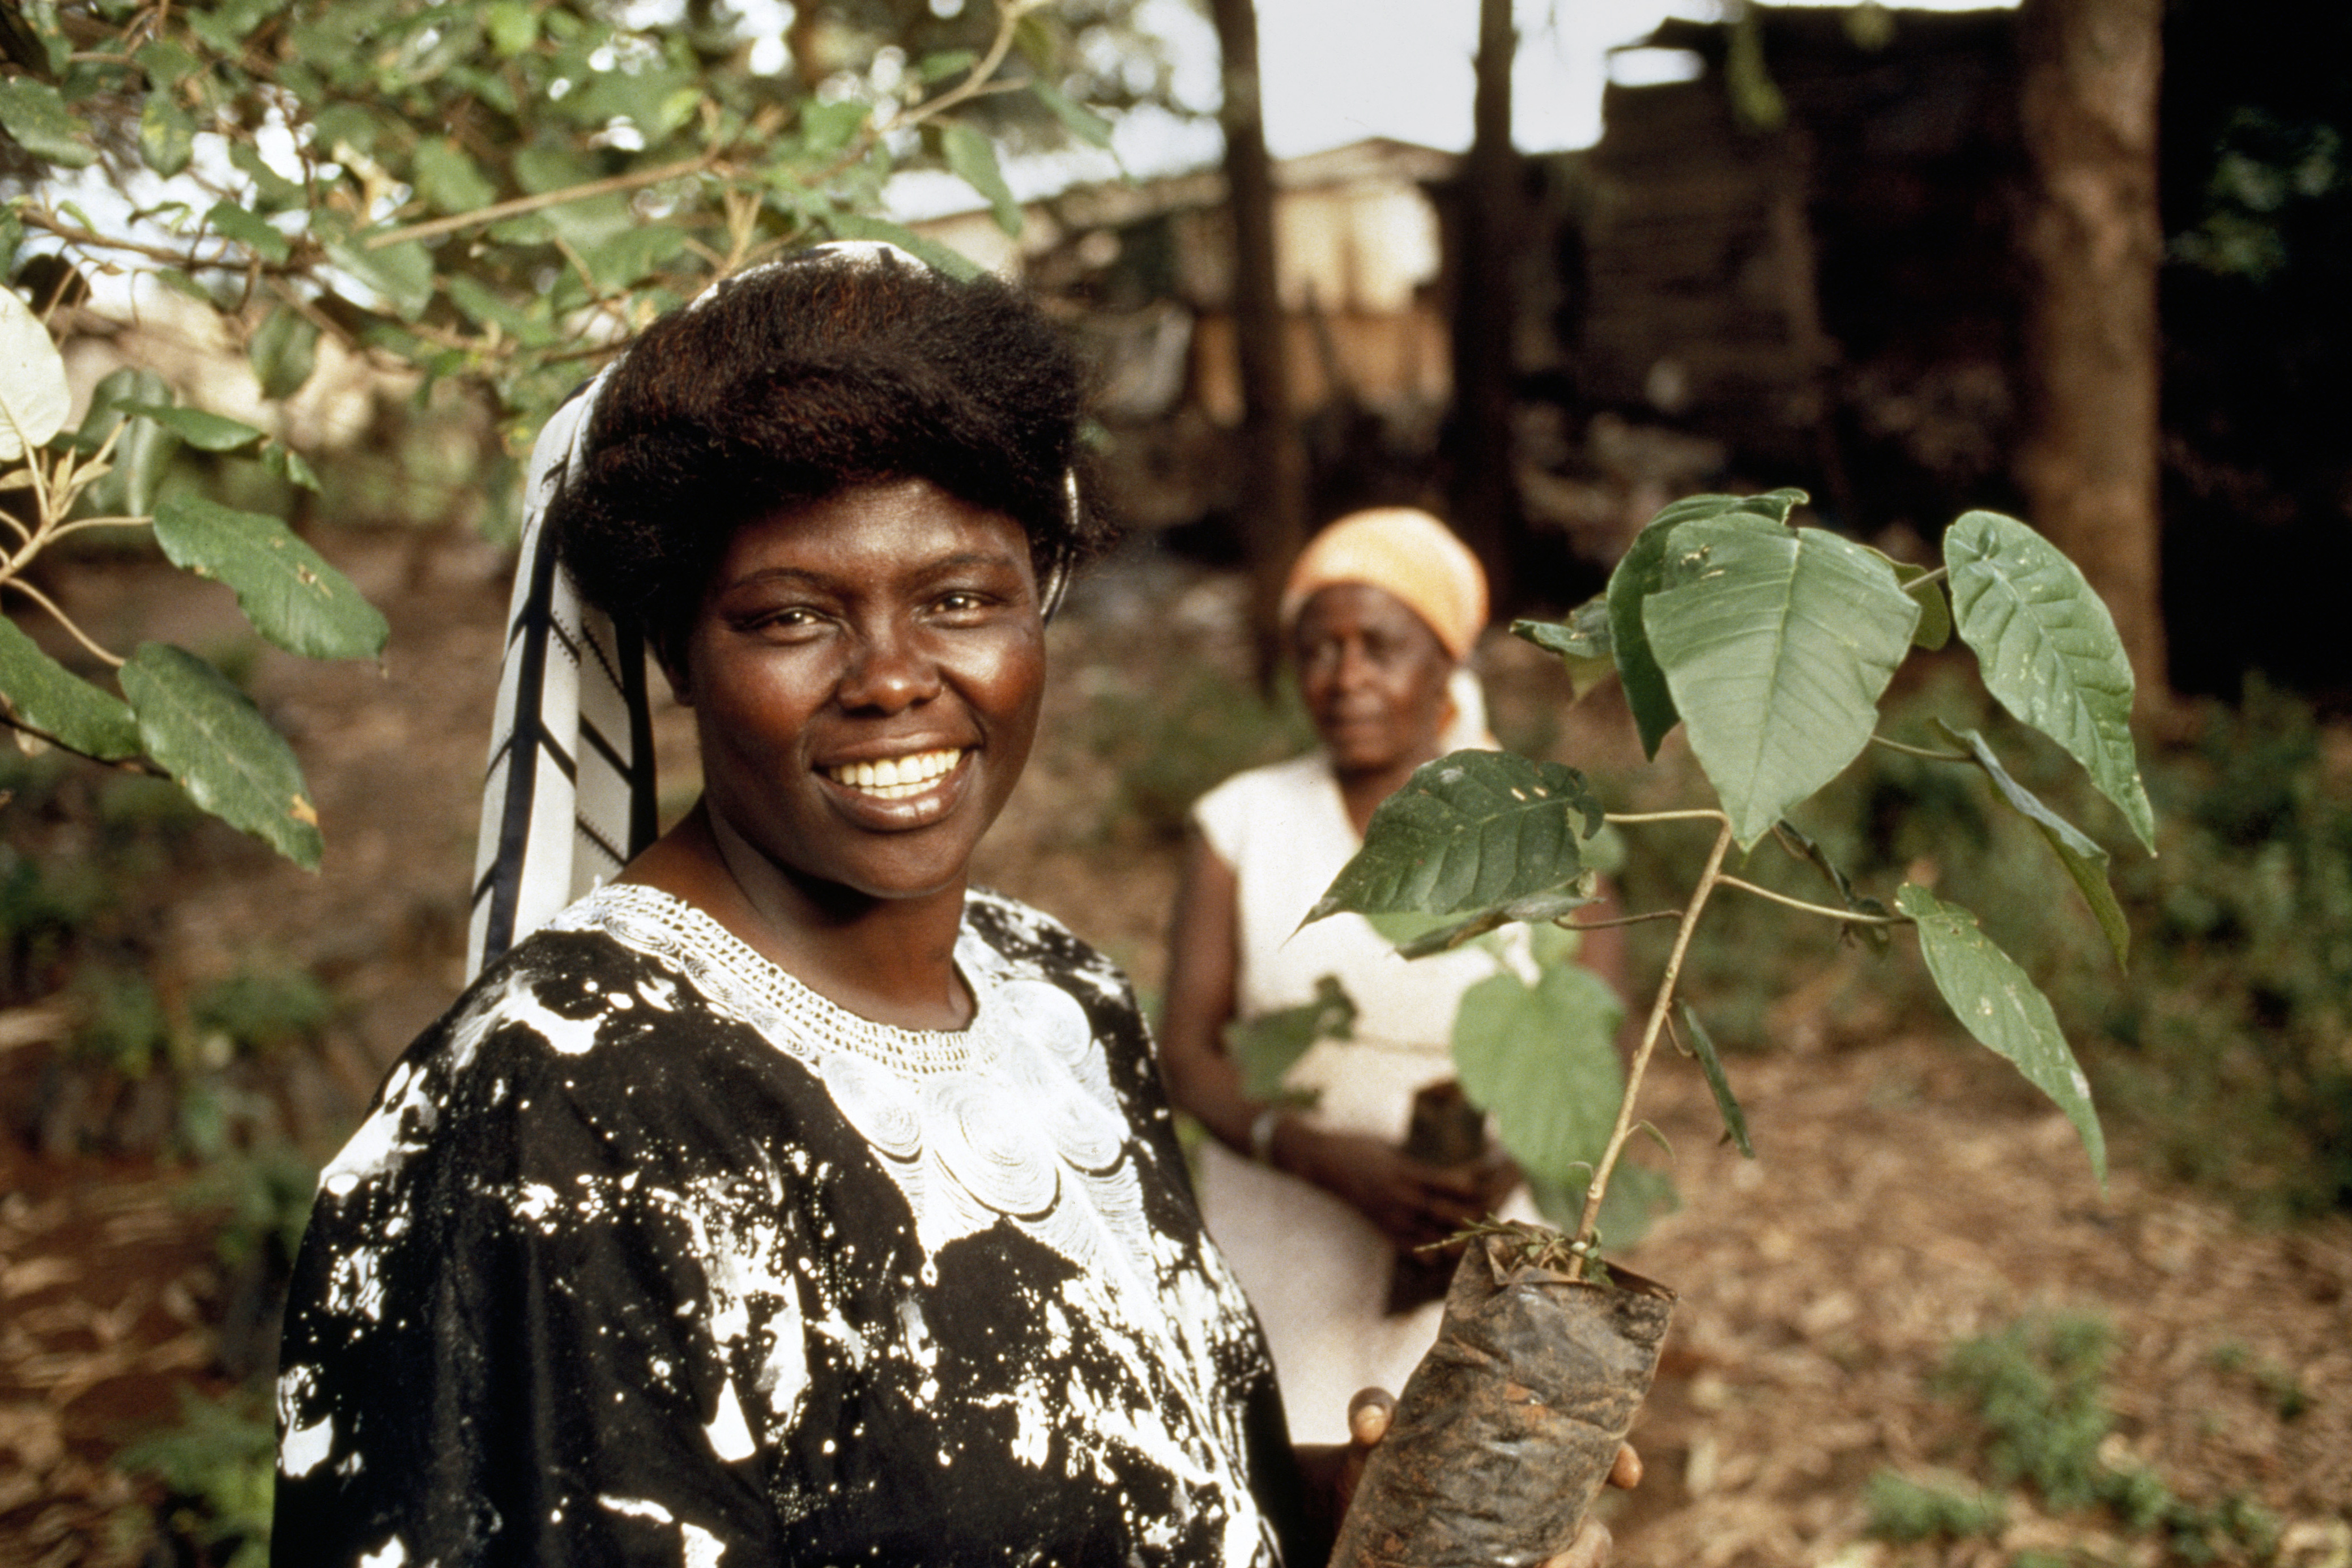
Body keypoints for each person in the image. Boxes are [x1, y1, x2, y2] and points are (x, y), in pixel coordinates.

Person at [269, 246, 1628, 1568]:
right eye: (793, 616)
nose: (892, 677)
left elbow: (1130, 1476)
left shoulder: (1060, 994)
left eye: (961, 597)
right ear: (679, 649)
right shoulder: (563, 1106)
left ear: (1037, 602)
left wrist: (1369, 1504)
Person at [1158, 509, 1627, 1447]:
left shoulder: (1539, 826)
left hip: (1487, 1256)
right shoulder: (1243, 825)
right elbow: (1184, 1054)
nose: (1346, 679)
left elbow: (1594, 1042)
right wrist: (1318, 1155)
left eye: (1381, 645)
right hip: (1283, 1250)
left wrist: (1501, 1172)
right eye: (1318, 650)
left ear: (1446, 659)